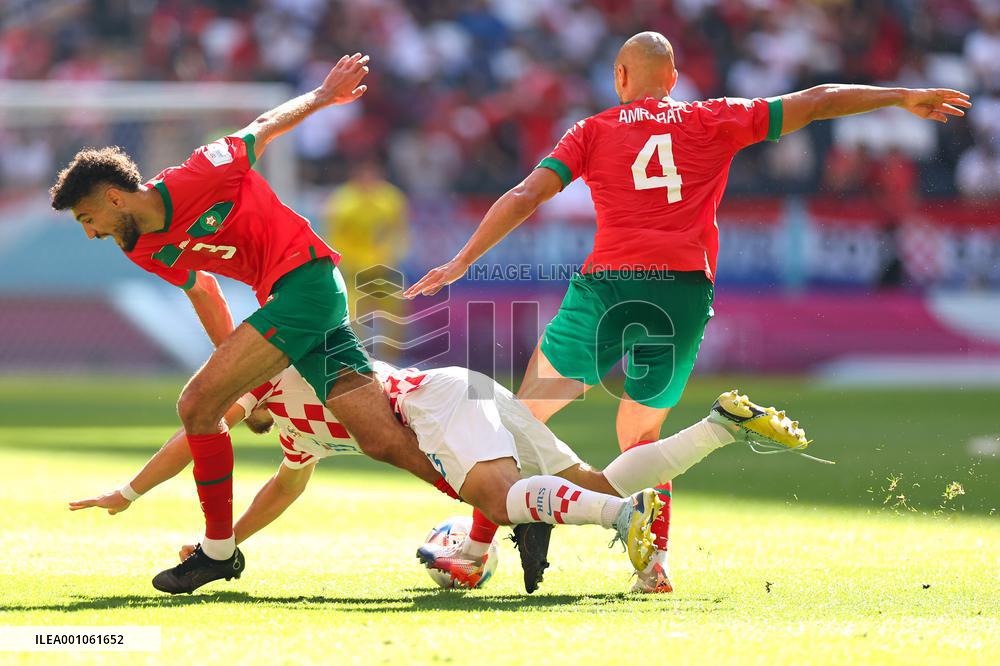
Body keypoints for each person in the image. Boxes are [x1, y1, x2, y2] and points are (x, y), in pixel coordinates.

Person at [404, 31, 971, 593]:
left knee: (522, 420)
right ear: (673, 79)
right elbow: (817, 100)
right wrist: (901, 95)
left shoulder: (590, 131)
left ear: (620, 77)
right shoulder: (714, 118)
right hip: (682, 291)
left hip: (610, 286)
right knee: (642, 436)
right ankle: (653, 567)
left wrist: (461, 261)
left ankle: (474, 550)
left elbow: (526, 195)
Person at [49, 53, 447, 593]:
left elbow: (263, 127)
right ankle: (499, 506)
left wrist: (323, 96)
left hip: (307, 283)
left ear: (114, 198)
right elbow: (207, 292)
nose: (90, 232)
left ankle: (217, 551)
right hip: (295, 302)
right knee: (383, 441)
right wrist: (243, 377)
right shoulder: (139, 246)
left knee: (197, 404)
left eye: (88, 218)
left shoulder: (200, 171)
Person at [70, 359, 810, 593]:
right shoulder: (296, 436)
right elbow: (281, 490)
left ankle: (625, 522)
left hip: (435, 401)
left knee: (496, 498)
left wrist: (128, 492)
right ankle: (722, 425)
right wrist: (226, 541)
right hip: (464, 389)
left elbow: (196, 431)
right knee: (595, 481)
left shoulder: (264, 378)